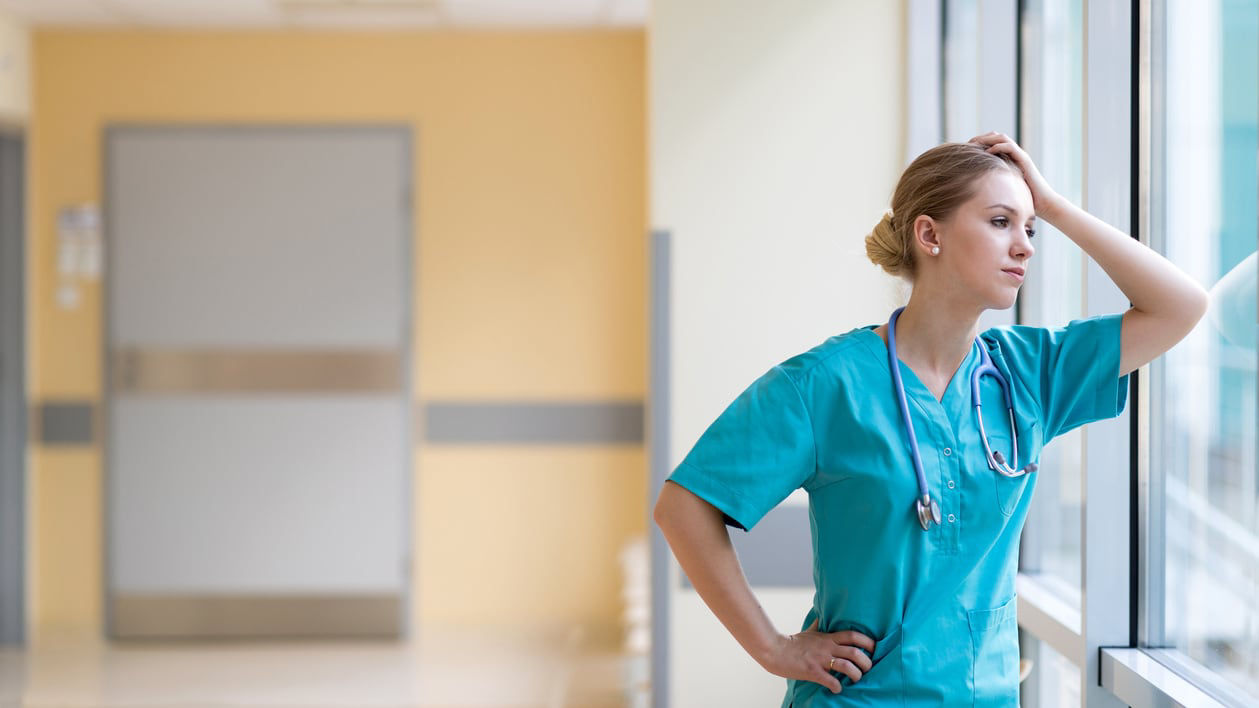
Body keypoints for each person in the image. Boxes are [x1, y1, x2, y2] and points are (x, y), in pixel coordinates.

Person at [652, 132, 1209, 706]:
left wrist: (1055, 206)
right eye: (1000, 222)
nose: (1025, 247)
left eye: (1030, 228)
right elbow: (683, 506)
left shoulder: (1030, 373)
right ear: (929, 234)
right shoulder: (825, 384)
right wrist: (773, 648)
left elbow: (1181, 306)